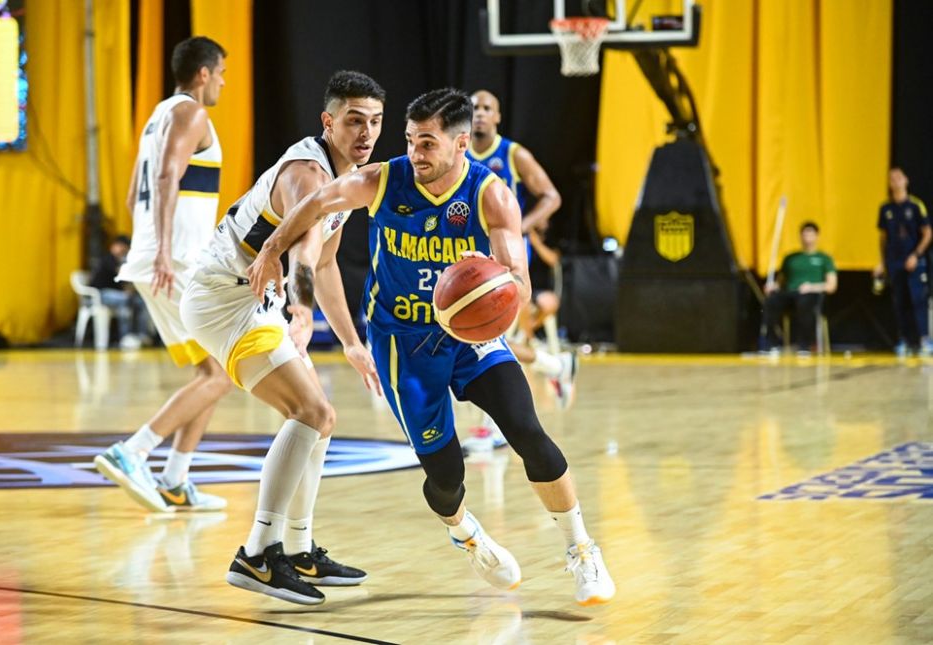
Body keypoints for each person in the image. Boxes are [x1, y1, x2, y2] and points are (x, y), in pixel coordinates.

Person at [252, 88, 615, 606]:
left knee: (527, 431)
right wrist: (271, 248)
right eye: (409, 140)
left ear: (460, 143)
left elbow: (519, 282)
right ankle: (466, 532)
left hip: (470, 336)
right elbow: (315, 203)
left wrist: (491, 288)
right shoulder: (382, 180)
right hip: (403, 341)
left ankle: (581, 548)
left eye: (427, 143)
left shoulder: (490, 194)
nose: (415, 153)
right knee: (446, 476)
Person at [179, 71, 386, 605]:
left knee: (321, 420)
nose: (366, 133)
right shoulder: (306, 174)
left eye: (375, 121)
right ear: (328, 122)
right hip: (226, 299)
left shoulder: (345, 180)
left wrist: (351, 341)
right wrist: (301, 308)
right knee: (310, 412)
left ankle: (297, 549)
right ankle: (256, 554)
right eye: (354, 121)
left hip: (257, 300)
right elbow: (303, 252)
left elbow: (327, 262)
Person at [93, 36, 232, 513]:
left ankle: (174, 480)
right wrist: (166, 251)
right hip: (176, 262)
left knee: (212, 371)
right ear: (203, 74)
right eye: (221, 74)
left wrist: (152, 247)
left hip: (157, 257)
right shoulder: (192, 113)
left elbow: (133, 194)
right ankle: (132, 452)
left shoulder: (157, 117)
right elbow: (167, 176)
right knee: (221, 373)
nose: (223, 83)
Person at [462, 90, 575, 453]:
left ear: (498, 117)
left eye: (487, 108)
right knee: (480, 340)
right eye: (475, 108)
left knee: (487, 341)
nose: (480, 113)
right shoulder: (458, 151)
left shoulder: (513, 154)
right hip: (470, 255)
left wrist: (521, 227)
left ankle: (490, 428)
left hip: (507, 259)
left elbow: (552, 196)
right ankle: (555, 366)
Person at [874, 167, 932, 357]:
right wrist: (882, 262)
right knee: (900, 302)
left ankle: (924, 339)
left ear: (906, 180)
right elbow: (883, 238)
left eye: (899, 177)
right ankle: (904, 340)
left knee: (918, 299)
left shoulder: (916, 205)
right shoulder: (886, 208)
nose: (896, 181)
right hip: (894, 262)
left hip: (914, 261)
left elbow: (927, 233)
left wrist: (916, 255)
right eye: (892, 179)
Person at [761, 221, 837, 356]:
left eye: (810, 234)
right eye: (804, 234)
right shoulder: (790, 258)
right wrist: (773, 286)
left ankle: (805, 345)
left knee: (805, 302)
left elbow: (831, 286)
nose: (807, 238)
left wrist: (811, 287)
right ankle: (771, 344)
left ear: (817, 236)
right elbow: (780, 281)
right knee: (771, 302)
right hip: (790, 293)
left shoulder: (824, 259)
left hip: (812, 294)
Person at [89, 235, 151, 349]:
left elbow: (123, 283)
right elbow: (122, 274)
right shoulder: (107, 259)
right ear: (114, 246)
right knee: (125, 300)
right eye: (121, 247)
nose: (123, 251)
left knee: (140, 301)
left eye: (125, 249)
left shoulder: (122, 261)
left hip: (117, 294)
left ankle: (142, 335)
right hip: (101, 294)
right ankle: (125, 337)